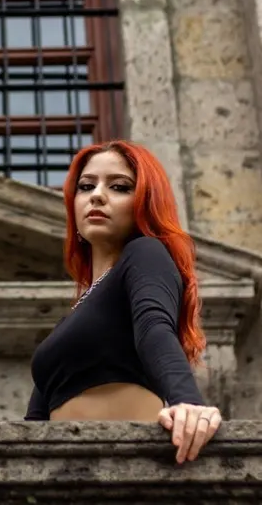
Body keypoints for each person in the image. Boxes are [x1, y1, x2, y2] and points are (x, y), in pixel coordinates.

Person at [25, 140, 222, 464]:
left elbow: (154, 328)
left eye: (119, 187)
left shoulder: (145, 253)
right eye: (86, 186)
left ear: (144, 203)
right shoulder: (76, 314)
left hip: (133, 468)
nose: (97, 195)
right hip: (65, 478)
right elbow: (36, 420)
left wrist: (189, 402)